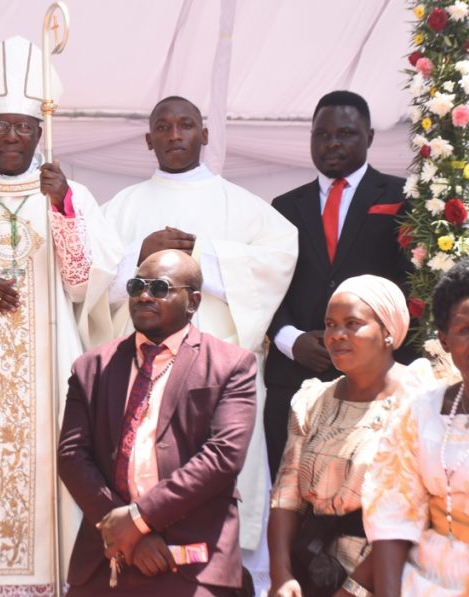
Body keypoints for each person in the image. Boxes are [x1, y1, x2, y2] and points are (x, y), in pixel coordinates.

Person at [0, 35, 123, 594]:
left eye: (24, 127)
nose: (13, 136)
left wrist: (63, 210)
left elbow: (84, 284)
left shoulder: (70, 195)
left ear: (39, 131)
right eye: (2, 125)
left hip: (49, 370)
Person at [101, 95, 297, 555]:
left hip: (217, 377)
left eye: (186, 125)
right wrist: (139, 253)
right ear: (148, 139)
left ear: (204, 134)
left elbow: (279, 259)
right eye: (163, 127)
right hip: (140, 375)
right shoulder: (119, 209)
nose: (175, 135)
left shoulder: (244, 207)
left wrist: (201, 255)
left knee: (215, 486)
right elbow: (89, 285)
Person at [58, 249, 257, 595]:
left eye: (160, 288)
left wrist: (139, 519)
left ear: (193, 301)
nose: (144, 296)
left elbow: (223, 457)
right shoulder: (92, 366)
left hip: (192, 561)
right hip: (108, 560)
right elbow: (72, 456)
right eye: (136, 286)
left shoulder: (231, 365)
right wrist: (124, 530)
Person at [266, 91, 414, 479]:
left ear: (370, 137)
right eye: (322, 134)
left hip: (375, 379)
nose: (332, 143)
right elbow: (266, 285)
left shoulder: (403, 197)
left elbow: (411, 282)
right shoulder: (283, 207)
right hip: (296, 376)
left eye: (345, 133)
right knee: (290, 491)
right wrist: (291, 339)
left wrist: (370, 341)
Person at [267, 275, 431, 597]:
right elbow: (286, 497)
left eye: (352, 324)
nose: (336, 335)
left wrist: (352, 589)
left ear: (387, 331)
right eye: (330, 324)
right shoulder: (314, 400)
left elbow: (413, 513)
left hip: (388, 575)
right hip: (312, 569)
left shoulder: (418, 398)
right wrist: (281, 575)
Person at [364, 256, 469, 597]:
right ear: (445, 340)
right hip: (423, 585)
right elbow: (391, 518)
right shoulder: (420, 411)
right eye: (466, 330)